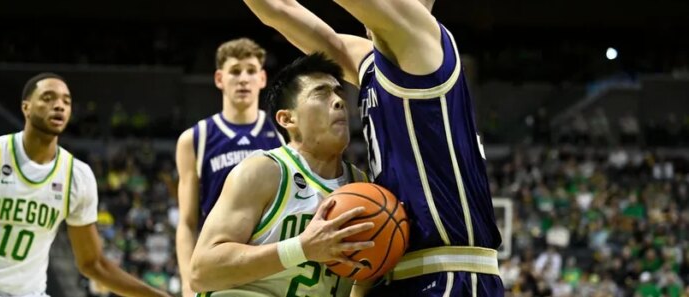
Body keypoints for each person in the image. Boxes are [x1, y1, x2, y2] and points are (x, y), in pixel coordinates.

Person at [244, 0, 504, 296]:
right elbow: (281, 10)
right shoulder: (370, 62)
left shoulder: (421, 40)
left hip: (450, 272)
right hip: (396, 271)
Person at [0, 73, 169, 297]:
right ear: (26, 108)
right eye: (48, 98)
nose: (59, 105)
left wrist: (156, 296)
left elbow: (92, 263)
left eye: (66, 101)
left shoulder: (77, 176)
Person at [189, 53, 373, 296]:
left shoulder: (364, 188)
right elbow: (202, 272)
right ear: (287, 119)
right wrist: (301, 248)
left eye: (339, 93)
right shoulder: (264, 171)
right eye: (321, 94)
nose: (339, 101)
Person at [175, 37, 285, 297]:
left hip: (270, 265)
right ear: (219, 78)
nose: (243, 79)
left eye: (251, 71)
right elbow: (187, 222)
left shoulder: (283, 133)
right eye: (235, 71)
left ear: (262, 78)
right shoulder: (195, 139)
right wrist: (187, 283)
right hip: (219, 267)